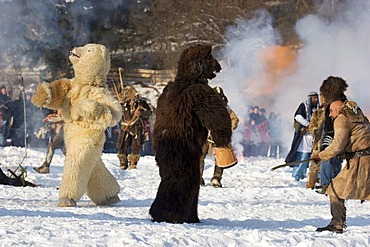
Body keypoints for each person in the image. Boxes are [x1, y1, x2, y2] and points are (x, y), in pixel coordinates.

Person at [312, 100, 370, 233]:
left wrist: (321, 156)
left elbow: (337, 145)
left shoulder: (342, 119)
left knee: (334, 189)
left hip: (360, 162)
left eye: (332, 111)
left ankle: (337, 224)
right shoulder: (360, 117)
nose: (331, 115)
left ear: (339, 108)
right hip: (364, 158)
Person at [199, 86, 239, 187]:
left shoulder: (225, 108)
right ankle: (199, 177)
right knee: (201, 156)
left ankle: (215, 178)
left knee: (220, 158)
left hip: (218, 136)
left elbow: (234, 120)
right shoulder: (206, 108)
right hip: (205, 136)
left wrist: (226, 130)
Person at [285, 91, 320, 181]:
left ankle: (316, 176)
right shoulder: (303, 106)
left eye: (317, 98)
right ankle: (298, 175)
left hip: (314, 136)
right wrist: (309, 125)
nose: (316, 100)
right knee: (303, 155)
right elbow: (298, 117)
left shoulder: (318, 108)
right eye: (314, 98)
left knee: (315, 156)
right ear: (310, 98)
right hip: (304, 136)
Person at [116, 86, 152, 170]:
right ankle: (123, 161)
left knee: (136, 145)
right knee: (122, 144)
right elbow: (117, 113)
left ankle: (133, 162)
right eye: (133, 97)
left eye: (136, 97)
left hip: (137, 127)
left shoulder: (141, 104)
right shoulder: (123, 104)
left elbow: (149, 113)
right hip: (125, 127)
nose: (134, 98)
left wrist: (141, 113)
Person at [34, 109, 65, 174]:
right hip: (59, 129)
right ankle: (46, 166)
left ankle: (46, 166)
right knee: (64, 150)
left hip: (64, 129)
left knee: (52, 146)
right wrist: (52, 116)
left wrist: (53, 118)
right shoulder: (59, 105)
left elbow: (65, 117)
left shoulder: (66, 104)